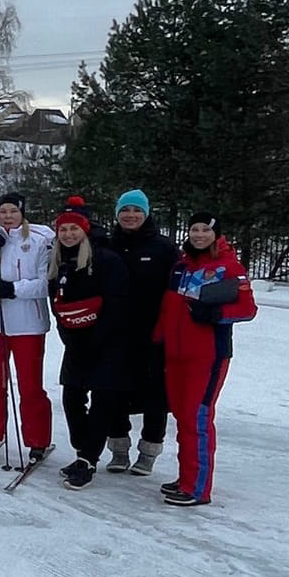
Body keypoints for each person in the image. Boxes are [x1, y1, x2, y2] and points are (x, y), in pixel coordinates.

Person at [153, 213, 257, 506]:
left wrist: (216, 314)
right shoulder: (181, 266)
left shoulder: (228, 267)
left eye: (205, 230)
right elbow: (168, 309)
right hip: (176, 354)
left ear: (216, 234)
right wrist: (158, 340)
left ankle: (197, 488)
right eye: (194, 229)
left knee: (196, 417)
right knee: (182, 416)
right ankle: (186, 477)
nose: (199, 235)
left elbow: (248, 309)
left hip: (208, 355)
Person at [0, 192, 55, 465]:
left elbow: (45, 283)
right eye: (3, 212)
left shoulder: (40, 238)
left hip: (28, 325)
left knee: (30, 385)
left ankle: (37, 440)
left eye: (13, 211)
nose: (8, 217)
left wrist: (13, 289)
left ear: (22, 213)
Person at [47, 208, 129, 489]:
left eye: (74, 229)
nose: (68, 234)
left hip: (107, 341)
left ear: (84, 231)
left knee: (101, 401)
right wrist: (68, 336)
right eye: (63, 230)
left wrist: (97, 338)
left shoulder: (105, 259)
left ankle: (88, 459)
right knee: (71, 398)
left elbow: (117, 302)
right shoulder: (58, 262)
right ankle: (83, 449)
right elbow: (55, 302)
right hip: (75, 341)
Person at [104, 189, 177, 476]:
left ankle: (149, 451)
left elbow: (176, 292)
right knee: (114, 391)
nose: (130, 215)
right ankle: (118, 450)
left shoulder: (164, 248)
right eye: (125, 210)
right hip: (115, 332)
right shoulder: (108, 245)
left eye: (136, 210)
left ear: (146, 214)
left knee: (155, 394)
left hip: (153, 334)